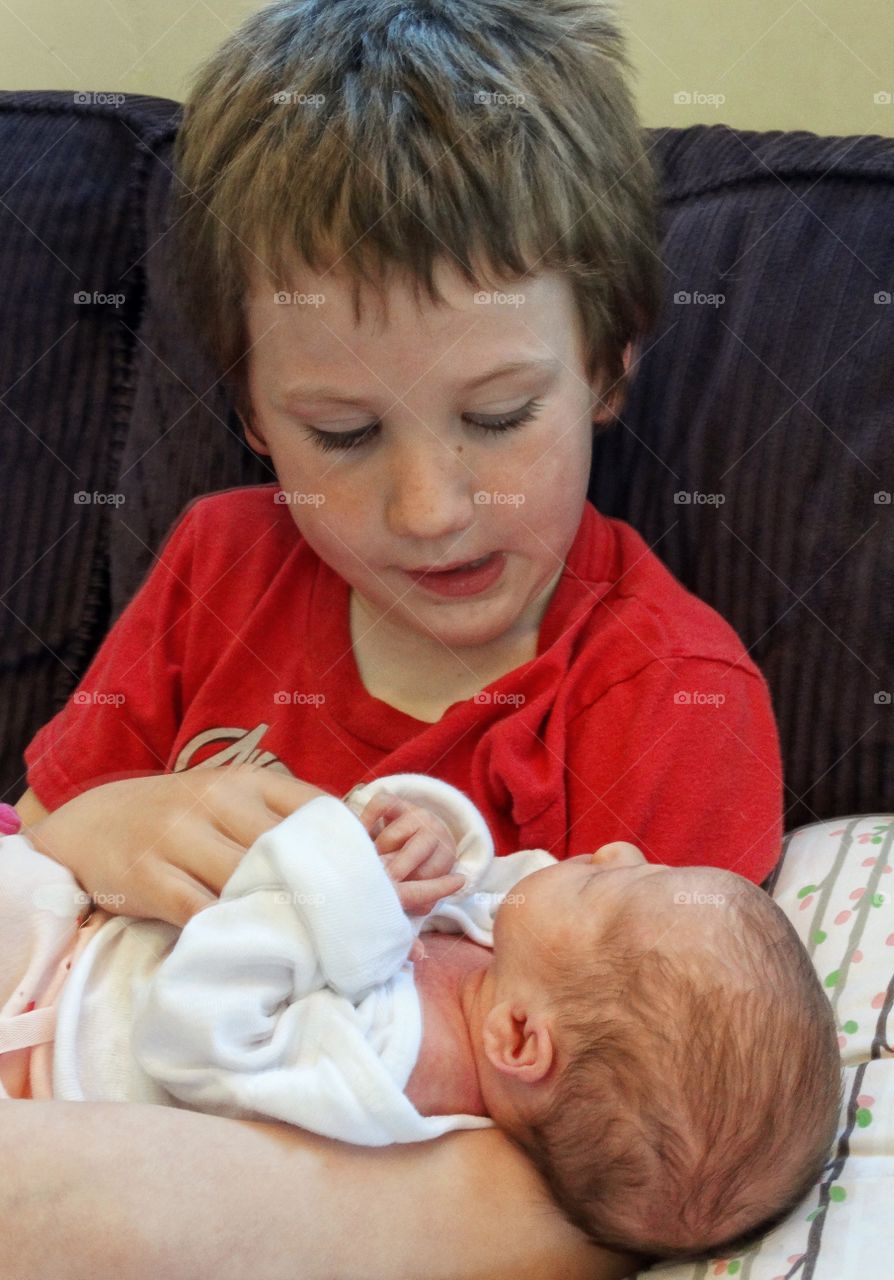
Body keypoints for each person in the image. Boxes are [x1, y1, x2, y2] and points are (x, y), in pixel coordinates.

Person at [7, 1, 786, 1275]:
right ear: (253, 413)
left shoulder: (666, 698)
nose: (429, 510)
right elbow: (41, 826)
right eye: (344, 435)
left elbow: (656, 1138)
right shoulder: (221, 561)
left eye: (497, 412)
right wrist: (108, 824)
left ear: (606, 361)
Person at [2, 776, 840, 1265]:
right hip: (80, 932)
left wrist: (325, 901)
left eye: (607, 888)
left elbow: (194, 1037)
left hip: (51, 1031)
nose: (617, 852)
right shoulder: (511, 963)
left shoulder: (398, 1069)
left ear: (519, 1042)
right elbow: (473, 880)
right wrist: (424, 832)